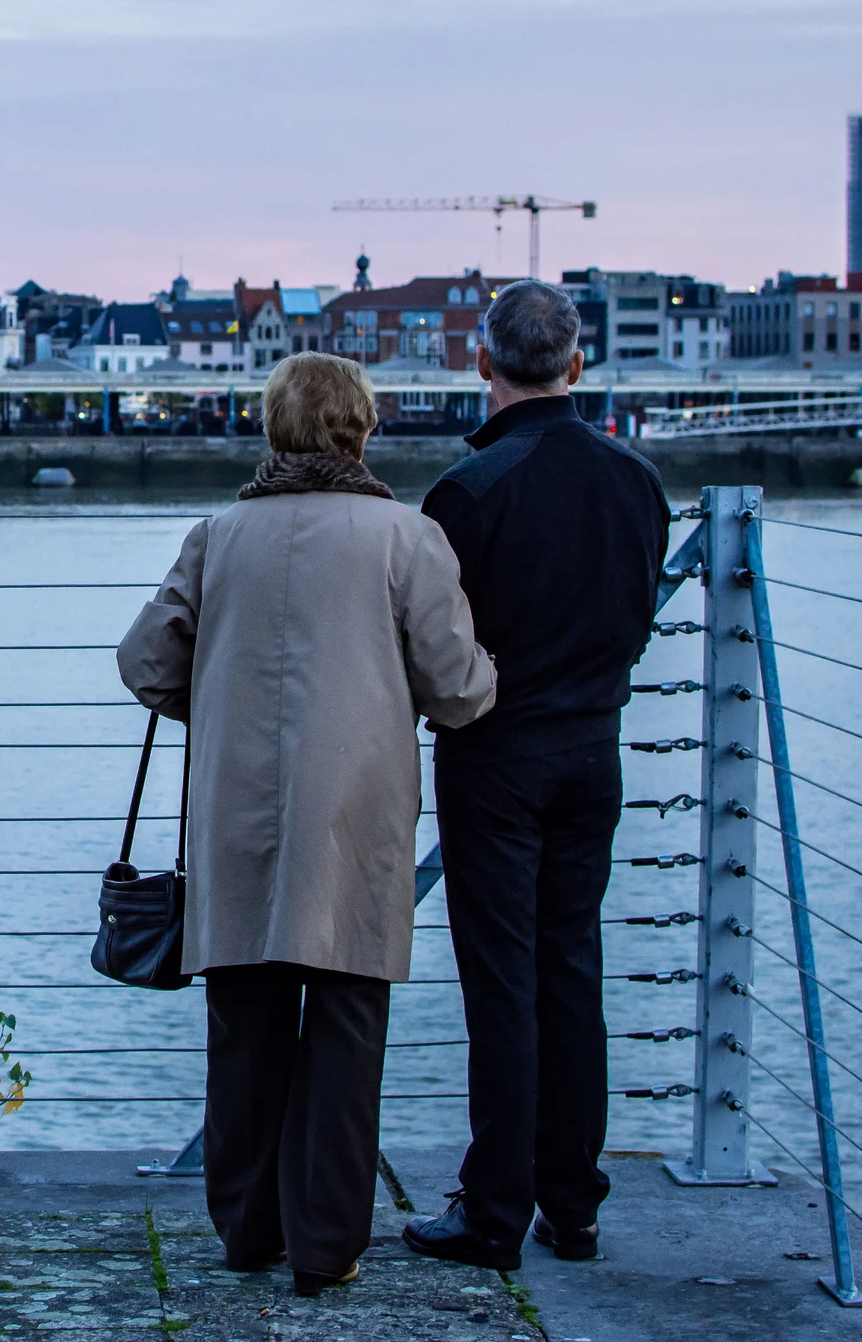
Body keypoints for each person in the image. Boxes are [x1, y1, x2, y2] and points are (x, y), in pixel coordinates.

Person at [119, 353, 496, 1294]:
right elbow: (455, 688)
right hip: (356, 813)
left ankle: (247, 1230)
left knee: (244, 1025)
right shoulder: (406, 539)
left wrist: (217, 692)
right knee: (346, 1023)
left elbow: (147, 662)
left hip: (235, 813)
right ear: (361, 430)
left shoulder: (218, 535)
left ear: (273, 431)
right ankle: (328, 1244)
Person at [401, 281, 669, 1272]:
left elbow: (434, 650)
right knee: (571, 970)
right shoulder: (637, 483)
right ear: (576, 364)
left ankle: (493, 1208)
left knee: (501, 980)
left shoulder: (466, 495)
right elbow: (636, 616)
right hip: (594, 748)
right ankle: (575, 1199)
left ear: (481, 363)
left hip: (495, 756)